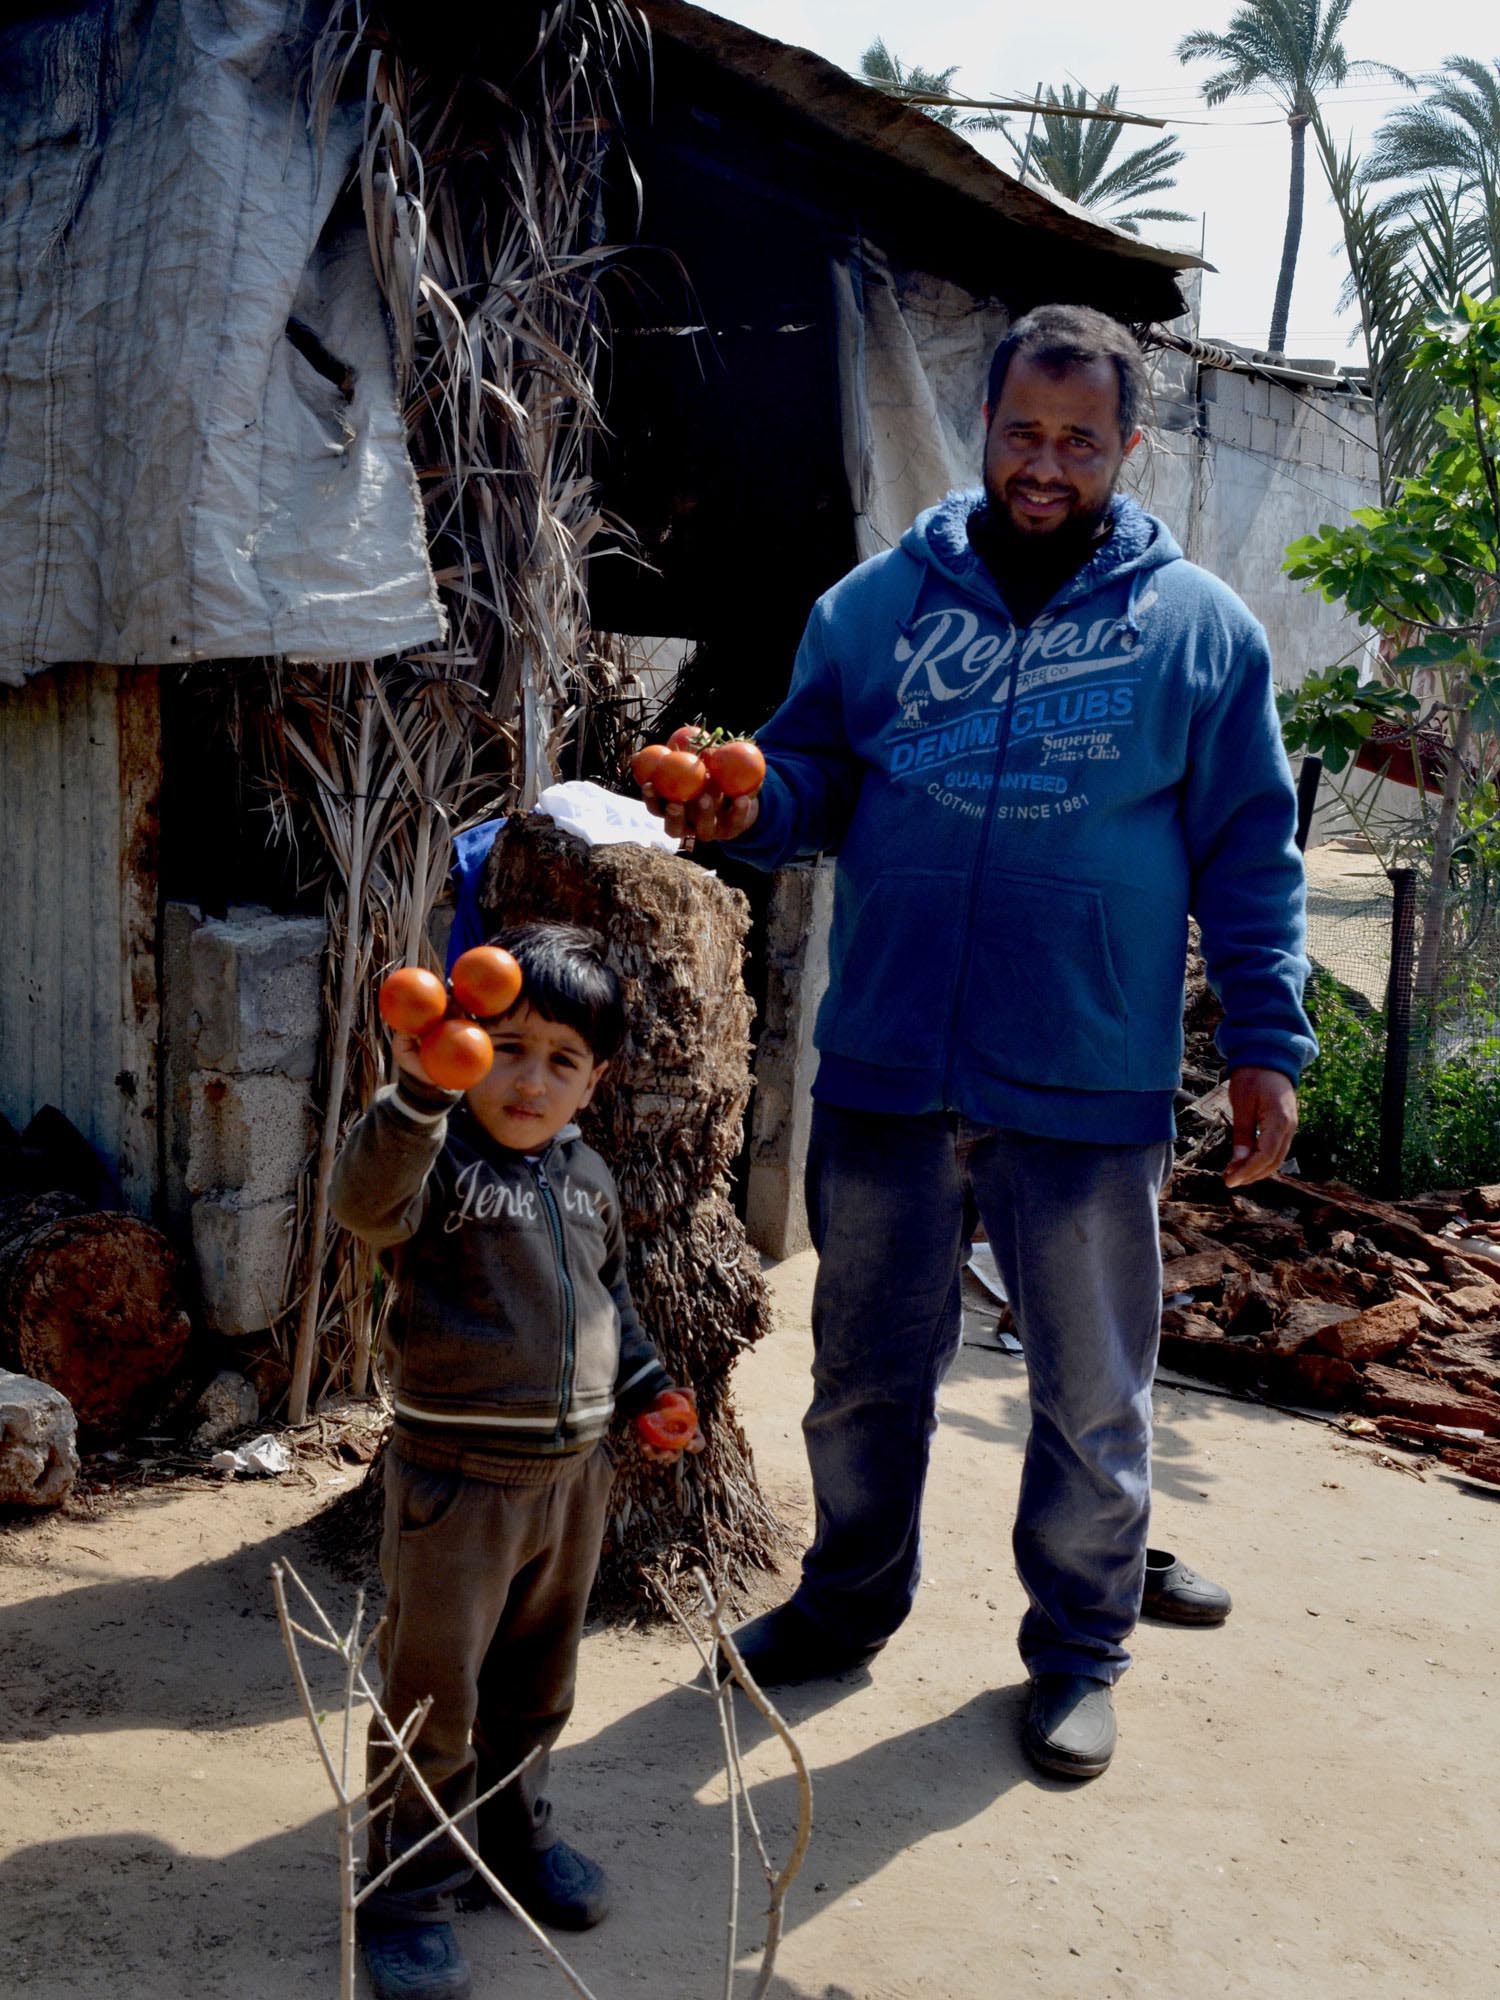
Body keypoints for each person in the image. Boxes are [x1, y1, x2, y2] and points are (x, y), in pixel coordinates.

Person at [643, 304, 1313, 1782]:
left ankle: (1078, 1648)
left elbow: (1252, 855)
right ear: (984, 428)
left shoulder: (1198, 630)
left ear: (1128, 448)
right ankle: (847, 1600)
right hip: (888, 1057)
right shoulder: (875, 608)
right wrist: (753, 802)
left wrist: (1267, 1040)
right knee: (866, 1373)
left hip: (1086, 1072)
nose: (1047, 464)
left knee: (1091, 1393)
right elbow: (812, 771)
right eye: (1024, 432)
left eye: (1081, 440)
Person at [331, 922, 702, 2000]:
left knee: (538, 1681)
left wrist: (648, 1387)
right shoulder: (435, 1157)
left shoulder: (586, 1175)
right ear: (459, 1043)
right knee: (431, 1692)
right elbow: (363, 1206)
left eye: (563, 1058)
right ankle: (406, 1884)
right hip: (457, 1484)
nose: (530, 1080)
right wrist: (415, 1099)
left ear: (598, 1078)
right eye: (505, 1045)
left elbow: (609, 1299)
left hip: (571, 1482)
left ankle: (508, 1832)